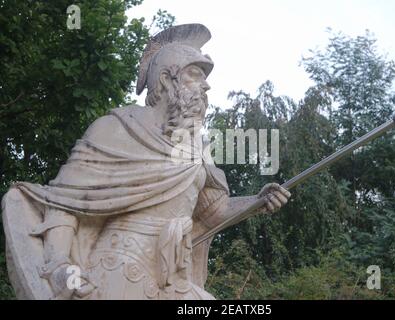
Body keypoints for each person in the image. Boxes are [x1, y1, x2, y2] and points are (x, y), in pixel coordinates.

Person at [3, 24, 290, 299]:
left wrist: (257, 201)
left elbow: (210, 213)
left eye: (205, 78)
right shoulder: (113, 129)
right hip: (121, 272)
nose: (206, 86)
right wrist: (60, 266)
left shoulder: (195, 147)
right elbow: (66, 204)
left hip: (175, 277)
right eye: (195, 75)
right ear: (166, 79)